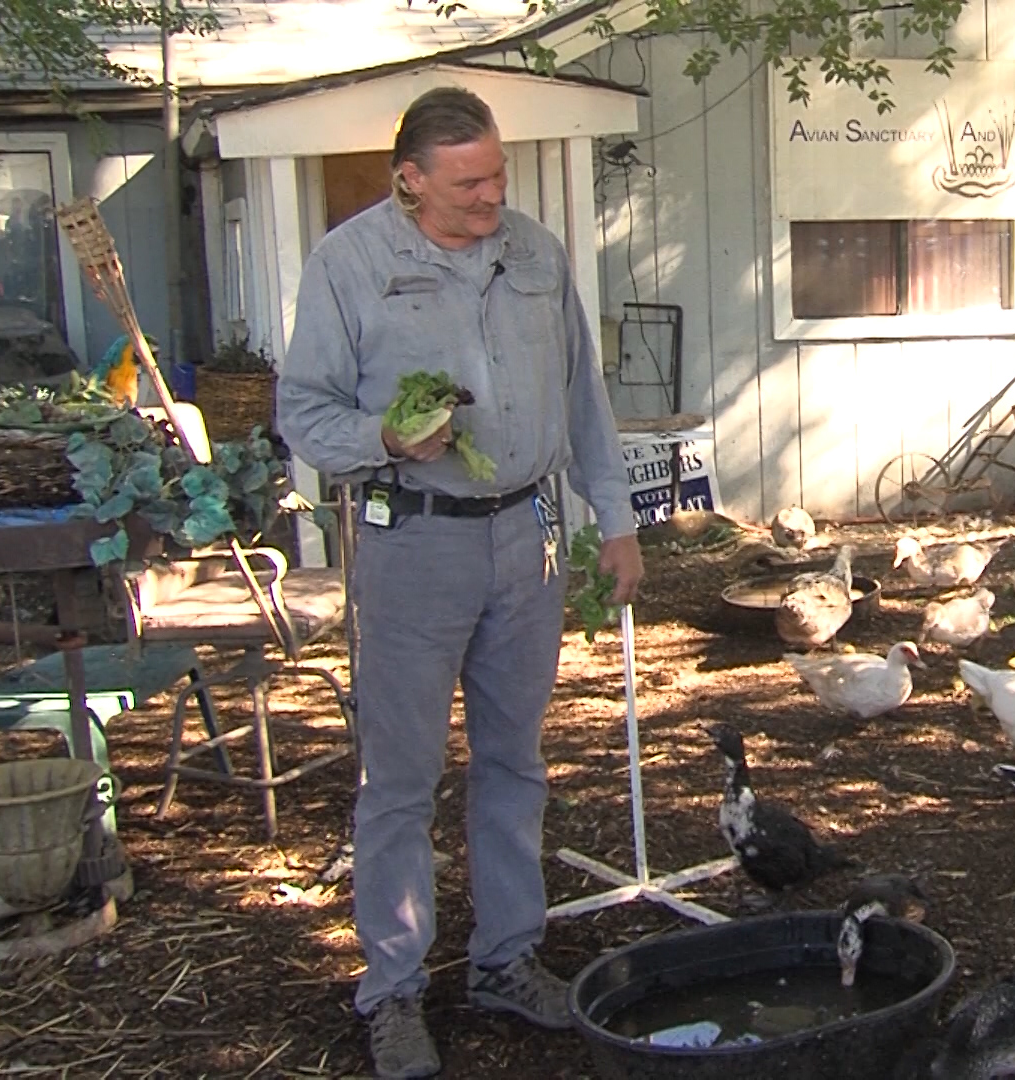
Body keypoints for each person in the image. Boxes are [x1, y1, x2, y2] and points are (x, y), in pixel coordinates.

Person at [277, 86, 644, 1080]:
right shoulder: (350, 264)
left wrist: (614, 519)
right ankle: (393, 990)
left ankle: (506, 962)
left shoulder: (534, 253)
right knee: (399, 780)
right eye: (469, 183)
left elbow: (583, 397)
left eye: (498, 176)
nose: (492, 198)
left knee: (514, 764)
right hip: (412, 546)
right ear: (410, 179)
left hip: (524, 537)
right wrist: (384, 439)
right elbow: (303, 414)